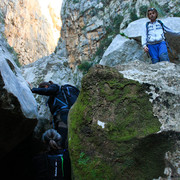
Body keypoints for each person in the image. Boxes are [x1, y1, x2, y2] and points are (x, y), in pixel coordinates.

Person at [31, 81, 69, 148]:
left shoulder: (55, 87)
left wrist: (33, 89)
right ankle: (62, 152)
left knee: (62, 137)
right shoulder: (54, 95)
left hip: (63, 115)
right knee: (62, 136)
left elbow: (48, 91)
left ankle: (62, 153)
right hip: (60, 116)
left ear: (46, 86)